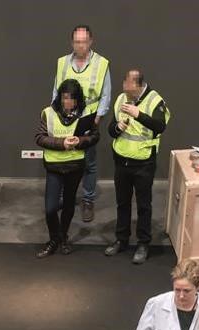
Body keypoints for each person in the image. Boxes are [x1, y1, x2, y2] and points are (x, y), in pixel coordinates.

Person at [104, 69, 170, 265]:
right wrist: (117, 128)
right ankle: (121, 239)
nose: (124, 86)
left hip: (143, 162)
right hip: (121, 160)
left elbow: (160, 126)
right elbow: (110, 129)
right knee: (122, 203)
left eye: (127, 83)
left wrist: (138, 114)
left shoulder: (154, 100)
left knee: (143, 205)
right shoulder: (121, 99)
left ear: (138, 85)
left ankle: (143, 243)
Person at [34, 79, 100, 258]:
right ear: (60, 98)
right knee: (50, 208)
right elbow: (39, 137)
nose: (68, 102)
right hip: (54, 166)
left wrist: (80, 141)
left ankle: (62, 237)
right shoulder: (48, 113)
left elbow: (95, 136)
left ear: (78, 99)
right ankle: (53, 239)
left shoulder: (86, 114)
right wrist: (62, 143)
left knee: (69, 204)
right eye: (65, 98)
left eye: (72, 99)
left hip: (75, 166)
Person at [52, 25, 111, 223]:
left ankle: (87, 200)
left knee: (88, 163)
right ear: (72, 43)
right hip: (64, 119)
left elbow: (106, 95)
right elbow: (55, 91)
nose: (80, 46)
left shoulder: (101, 63)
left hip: (88, 119)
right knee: (62, 158)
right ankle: (62, 196)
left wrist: (97, 119)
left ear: (91, 41)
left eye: (84, 41)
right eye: (77, 42)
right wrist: (55, 116)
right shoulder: (62, 63)